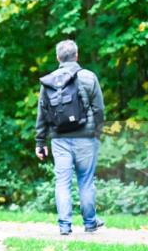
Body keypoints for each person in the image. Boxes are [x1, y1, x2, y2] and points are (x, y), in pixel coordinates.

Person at [35, 39, 105, 235]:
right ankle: (90, 224)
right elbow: (99, 109)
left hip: (59, 139)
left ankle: (64, 226)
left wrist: (40, 141)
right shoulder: (89, 77)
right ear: (77, 55)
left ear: (58, 57)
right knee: (86, 181)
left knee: (62, 182)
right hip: (86, 137)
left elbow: (42, 113)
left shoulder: (49, 81)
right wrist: (96, 133)